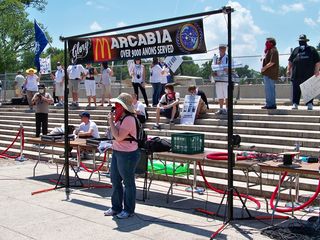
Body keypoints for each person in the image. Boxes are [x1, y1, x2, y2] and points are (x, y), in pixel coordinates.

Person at [104, 93, 141, 219]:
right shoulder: (120, 118)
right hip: (117, 152)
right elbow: (113, 135)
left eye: (118, 105)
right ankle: (116, 207)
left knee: (128, 183)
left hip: (128, 154)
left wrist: (110, 122)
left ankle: (129, 209)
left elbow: (119, 137)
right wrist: (112, 124)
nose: (115, 107)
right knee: (115, 180)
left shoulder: (129, 119)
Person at [287, 34, 320, 110]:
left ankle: (309, 104)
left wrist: (316, 71)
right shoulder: (295, 50)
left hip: (308, 75)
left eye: (303, 41)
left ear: (306, 41)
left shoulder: (312, 49)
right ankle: (295, 103)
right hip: (296, 75)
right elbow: (290, 61)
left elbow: (317, 62)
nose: (301, 42)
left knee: (309, 90)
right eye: (300, 41)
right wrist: (288, 69)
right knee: (296, 90)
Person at [261, 37, 279, 109]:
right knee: (267, 89)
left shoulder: (273, 50)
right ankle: (269, 103)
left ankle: (271, 104)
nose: (266, 43)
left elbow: (272, 62)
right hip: (267, 73)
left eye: (267, 42)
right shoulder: (268, 51)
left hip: (270, 74)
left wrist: (264, 68)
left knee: (270, 89)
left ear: (271, 43)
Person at [211, 44, 229, 115]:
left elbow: (229, 68)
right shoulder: (216, 58)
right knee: (220, 95)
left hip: (225, 79)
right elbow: (212, 66)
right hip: (218, 79)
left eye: (223, 48)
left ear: (225, 49)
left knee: (227, 95)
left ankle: (227, 109)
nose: (221, 50)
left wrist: (220, 65)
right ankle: (221, 108)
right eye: (220, 48)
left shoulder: (228, 58)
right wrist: (214, 71)